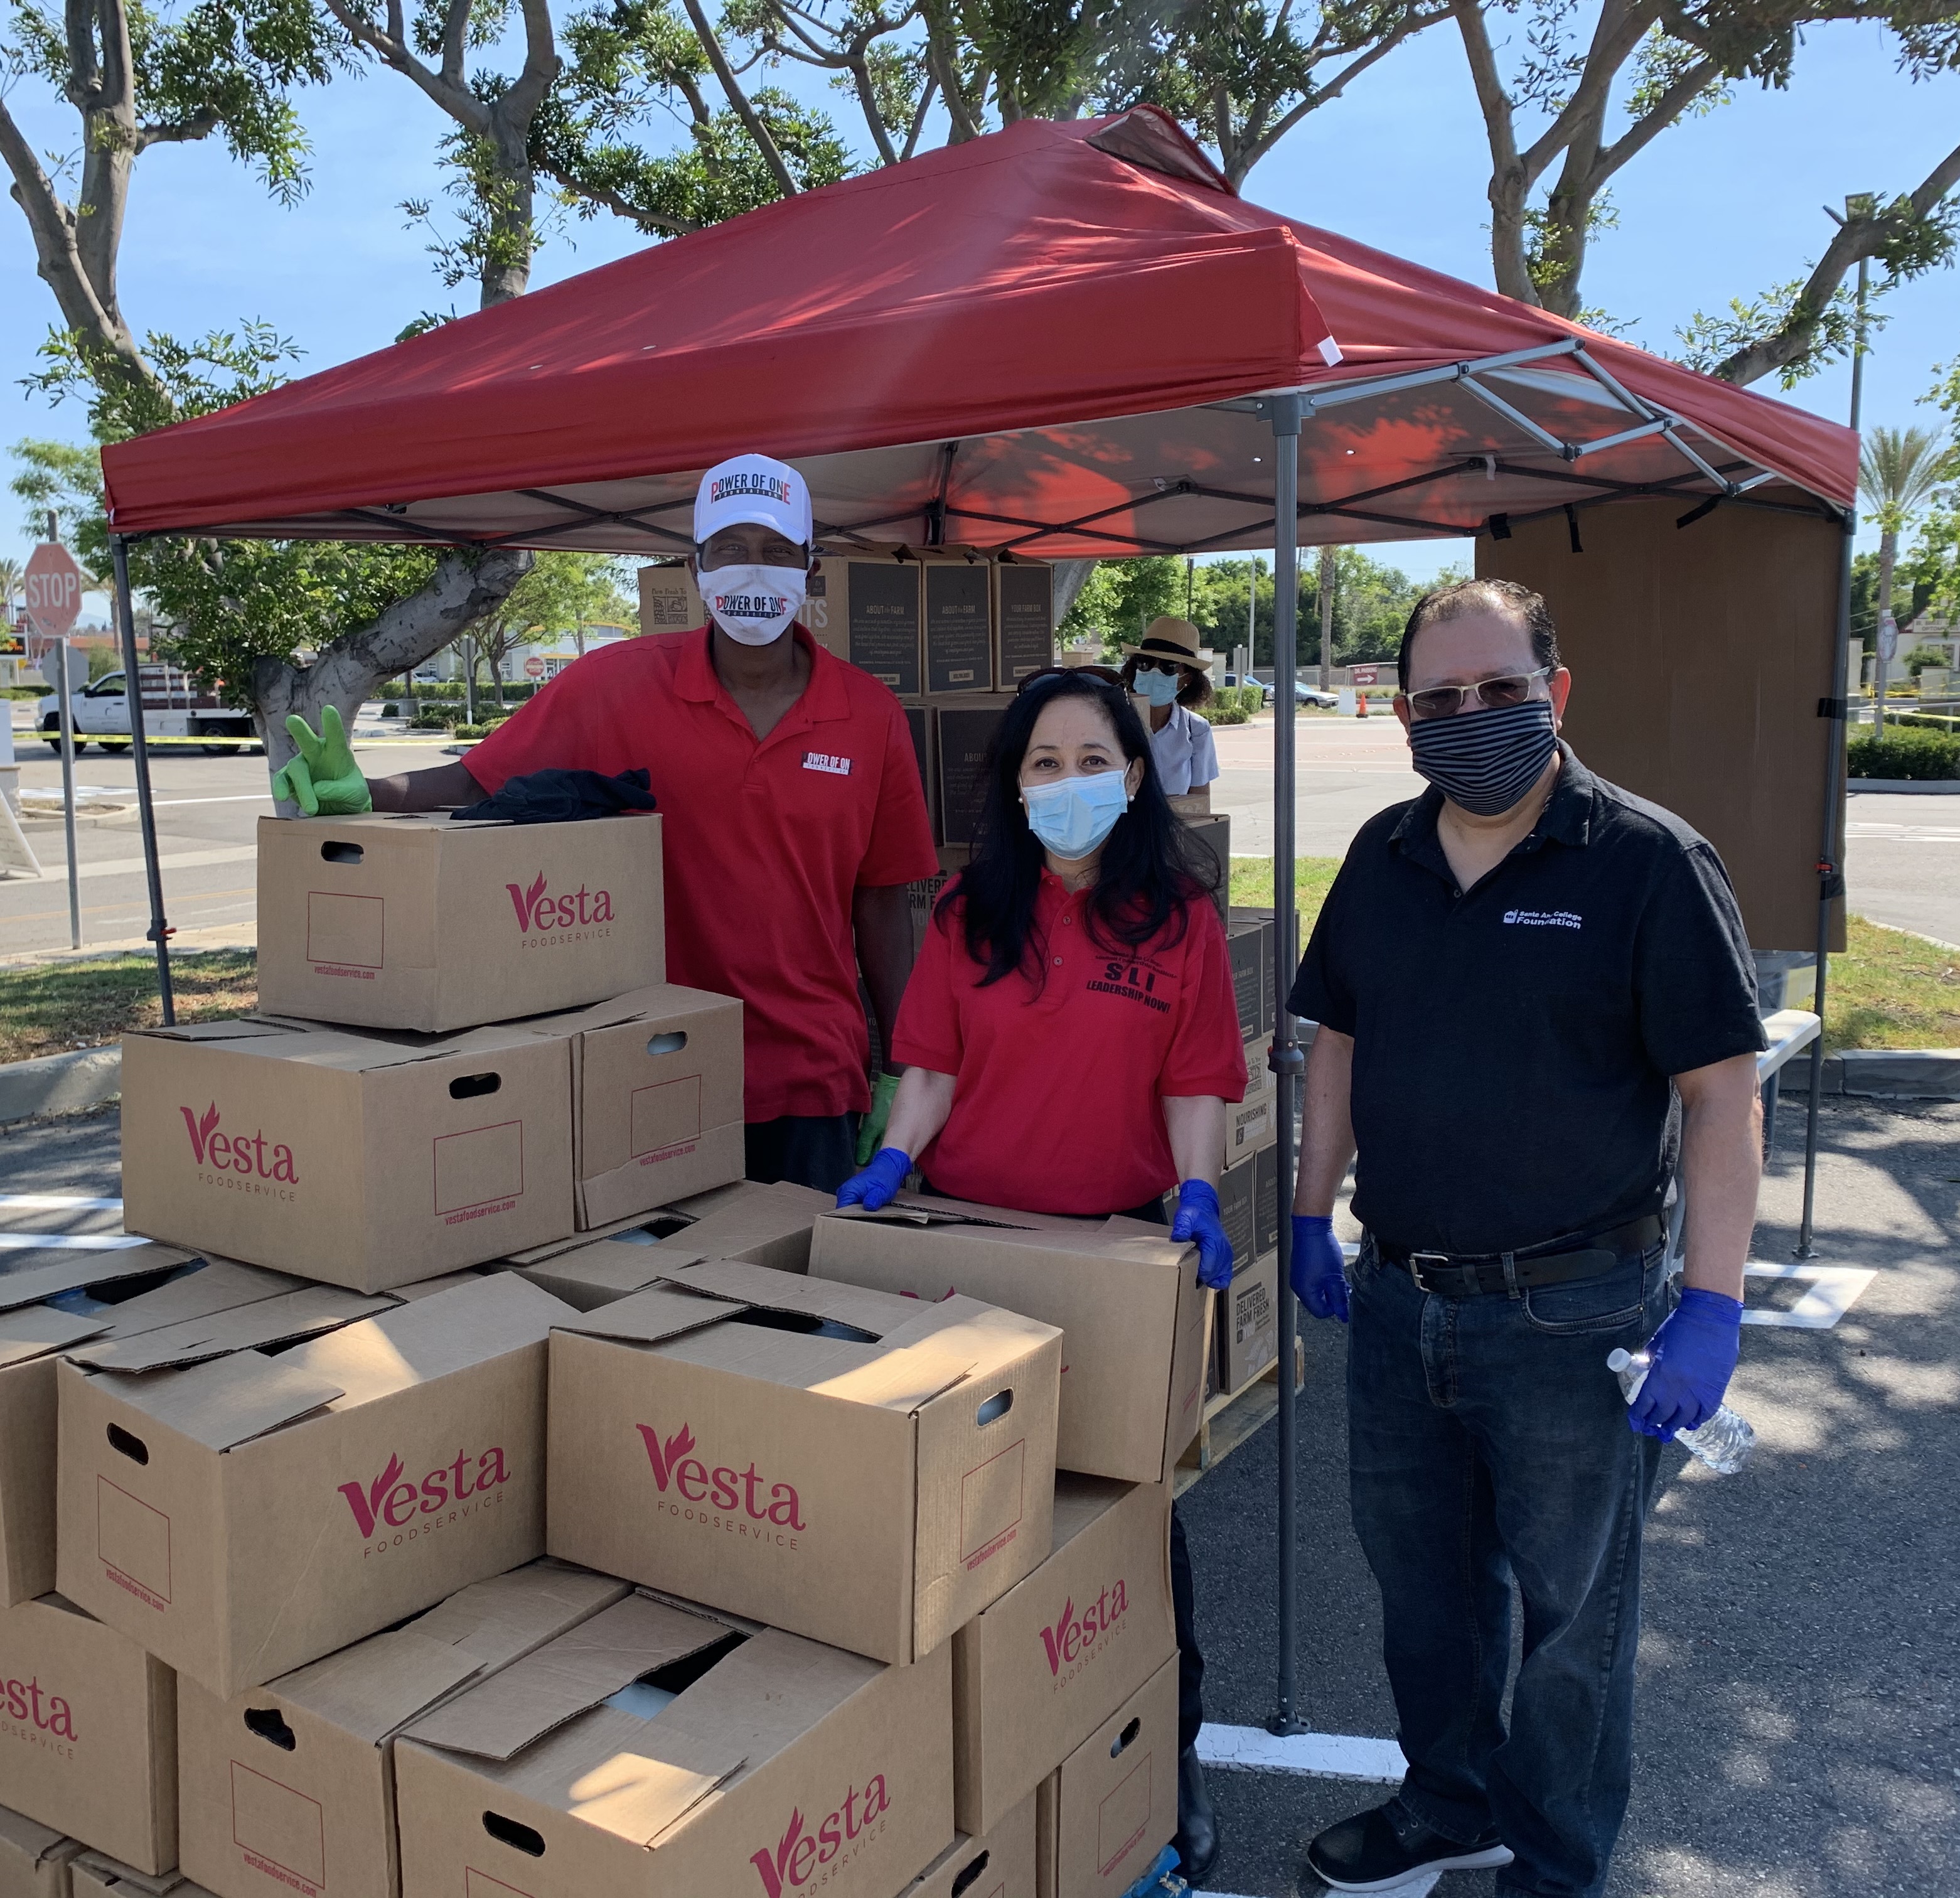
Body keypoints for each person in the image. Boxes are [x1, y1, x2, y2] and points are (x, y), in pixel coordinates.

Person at [1286, 577, 1766, 1898]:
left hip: (1577, 1315)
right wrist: (1308, 1209)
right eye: (1441, 700)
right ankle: (1446, 1803)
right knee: (1424, 1598)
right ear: (1402, 717)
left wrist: (1713, 1306)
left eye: (1501, 690)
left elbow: (1721, 1093)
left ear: (1556, 694)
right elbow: (1337, 1042)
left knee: (1571, 1626)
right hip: (1400, 1306)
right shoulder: (1382, 858)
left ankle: (1554, 1867)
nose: (1473, 717)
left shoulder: (1645, 862)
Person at [832, 668, 1248, 1885]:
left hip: (1108, 1252)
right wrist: (894, 1156)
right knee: (964, 1517)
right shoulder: (971, 913)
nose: (1070, 784)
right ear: (1013, 787)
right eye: (1044, 764)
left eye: (1094, 758)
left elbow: (1197, 1084)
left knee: (1126, 1530)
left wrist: (1202, 1192)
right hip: (968, 1251)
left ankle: (1165, 1771)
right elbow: (930, 1066)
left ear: (1136, 774)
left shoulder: (1180, 920)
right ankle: (982, 1787)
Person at [272, 453, 937, 1194]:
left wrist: (902, 1070)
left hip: (810, 1079)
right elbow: (478, 777)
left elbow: (885, 901)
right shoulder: (617, 685)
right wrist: (364, 795)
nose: (754, 571)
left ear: (812, 569)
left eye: (778, 551)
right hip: (647, 1064)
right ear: (696, 567)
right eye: (731, 549)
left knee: (799, 1299)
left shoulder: (869, 716)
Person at [1117, 618, 1220, 812]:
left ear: (1186, 679)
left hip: (1171, 837)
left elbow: (1198, 805)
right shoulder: (1114, 722)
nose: (1154, 672)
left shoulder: (1197, 730)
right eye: (1145, 663)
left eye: (1168, 667)